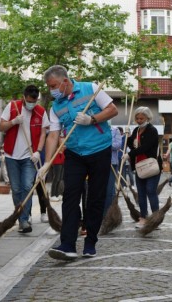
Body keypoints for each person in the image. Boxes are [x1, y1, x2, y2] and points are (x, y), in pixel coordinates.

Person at [39, 65, 118, 260]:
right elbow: (53, 135)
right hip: (74, 152)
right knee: (70, 196)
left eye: (54, 85)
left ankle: (90, 241)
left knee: (95, 197)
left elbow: (112, 110)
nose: (52, 90)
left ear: (65, 81)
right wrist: (47, 163)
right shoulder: (55, 107)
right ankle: (68, 244)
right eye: (49, 87)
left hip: (100, 149)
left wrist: (92, 119)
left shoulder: (90, 89)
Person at [0, 85, 50, 232]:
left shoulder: (41, 112)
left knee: (28, 187)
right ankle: (21, 215)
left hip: (29, 156)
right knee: (16, 189)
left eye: (34, 102)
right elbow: (2, 127)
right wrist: (13, 121)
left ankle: (24, 220)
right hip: (11, 155)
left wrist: (38, 151)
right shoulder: (12, 106)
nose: (31, 104)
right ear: (24, 97)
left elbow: (43, 134)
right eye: (29, 101)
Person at [124, 107, 161, 229]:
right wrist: (128, 137)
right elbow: (131, 145)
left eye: (141, 118)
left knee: (150, 190)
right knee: (141, 193)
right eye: (137, 118)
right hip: (139, 166)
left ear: (148, 118)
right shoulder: (136, 130)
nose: (139, 120)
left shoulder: (152, 130)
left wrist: (129, 155)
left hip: (151, 165)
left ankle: (156, 218)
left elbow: (146, 147)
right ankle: (143, 218)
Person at [104, 124, 122, 215]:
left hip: (112, 162)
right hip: (97, 163)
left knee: (109, 190)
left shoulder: (115, 130)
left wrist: (104, 143)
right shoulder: (95, 129)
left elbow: (118, 145)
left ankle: (108, 214)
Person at [50, 135, 65, 200]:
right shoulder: (56, 142)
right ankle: (53, 194)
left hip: (62, 161)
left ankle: (58, 194)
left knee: (60, 179)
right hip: (57, 162)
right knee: (56, 178)